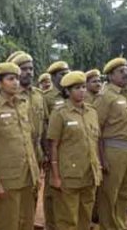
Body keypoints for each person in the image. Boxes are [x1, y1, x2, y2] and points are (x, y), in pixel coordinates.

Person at [0, 62, 40, 230]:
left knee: (26, 223)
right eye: (10, 79)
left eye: (17, 79)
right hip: (6, 179)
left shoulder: (23, 104)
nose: (16, 83)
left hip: (28, 176)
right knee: (6, 224)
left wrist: (35, 172)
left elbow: (29, 139)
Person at [48, 71, 101, 230]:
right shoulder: (60, 113)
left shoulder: (92, 112)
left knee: (85, 216)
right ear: (67, 91)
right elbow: (53, 145)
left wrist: (97, 166)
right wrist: (55, 176)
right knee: (67, 219)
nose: (82, 91)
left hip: (89, 173)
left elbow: (94, 141)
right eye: (77, 88)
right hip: (68, 175)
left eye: (84, 87)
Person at [93, 57, 127, 230]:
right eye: (121, 71)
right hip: (113, 151)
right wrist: (101, 158)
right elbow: (96, 130)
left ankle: (119, 225)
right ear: (111, 75)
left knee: (125, 194)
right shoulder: (106, 97)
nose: (126, 73)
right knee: (109, 196)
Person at [43, 61, 70, 230]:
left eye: (67, 73)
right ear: (53, 78)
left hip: (70, 150)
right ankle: (51, 225)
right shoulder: (47, 97)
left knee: (68, 189)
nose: (65, 76)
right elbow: (44, 126)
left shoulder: (72, 94)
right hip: (53, 150)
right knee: (51, 192)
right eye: (61, 74)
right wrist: (46, 152)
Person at [11, 52, 47, 166]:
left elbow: (45, 125)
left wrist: (46, 152)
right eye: (24, 69)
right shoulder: (11, 96)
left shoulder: (39, 95)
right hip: (17, 154)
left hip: (37, 153)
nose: (29, 72)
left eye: (31, 69)